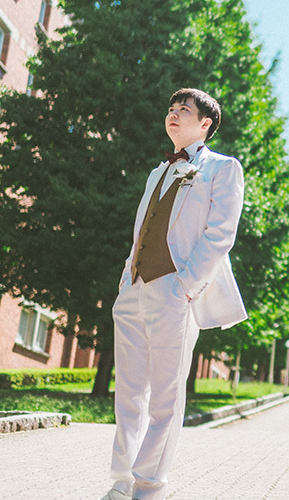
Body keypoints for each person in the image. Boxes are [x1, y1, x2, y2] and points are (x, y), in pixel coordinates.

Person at [100, 88, 247, 500]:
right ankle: (121, 482)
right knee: (129, 392)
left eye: (184, 109)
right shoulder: (155, 173)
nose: (173, 114)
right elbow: (142, 231)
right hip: (134, 290)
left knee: (165, 395)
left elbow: (221, 235)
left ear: (205, 124)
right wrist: (125, 282)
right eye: (170, 109)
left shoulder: (222, 168)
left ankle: (150, 486)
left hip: (175, 290)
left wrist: (185, 287)